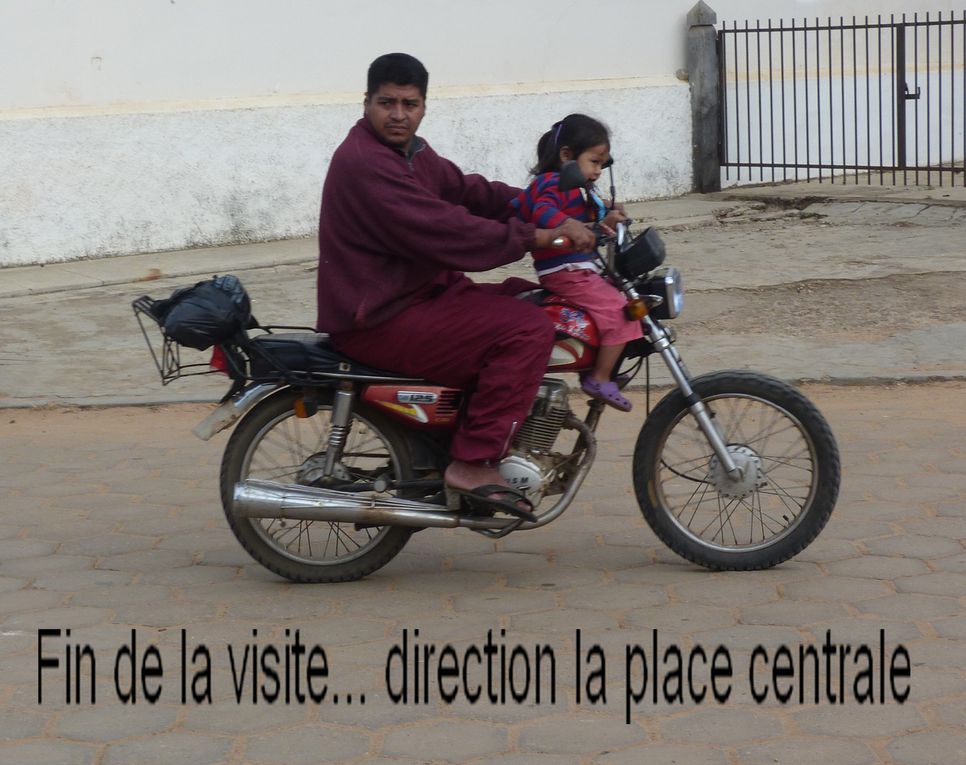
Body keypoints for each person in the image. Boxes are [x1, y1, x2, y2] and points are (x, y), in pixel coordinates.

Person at [315, 53, 595, 515]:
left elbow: (469, 192)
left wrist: (546, 207)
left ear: (424, 106)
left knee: (531, 299)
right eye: (387, 102)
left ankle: (456, 436)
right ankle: (473, 461)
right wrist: (534, 235)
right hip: (379, 315)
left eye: (409, 104)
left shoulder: (413, 154)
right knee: (525, 330)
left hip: (417, 294)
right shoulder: (366, 162)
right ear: (366, 103)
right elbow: (446, 227)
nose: (398, 114)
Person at [510, 113, 643, 412]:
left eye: (601, 164)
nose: (597, 171)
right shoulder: (553, 183)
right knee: (619, 311)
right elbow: (542, 211)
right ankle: (598, 377)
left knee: (616, 299)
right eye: (594, 162)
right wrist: (567, 225)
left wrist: (608, 214)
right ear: (567, 155)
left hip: (579, 270)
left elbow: (589, 218)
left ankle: (596, 365)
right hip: (566, 272)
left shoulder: (575, 187)